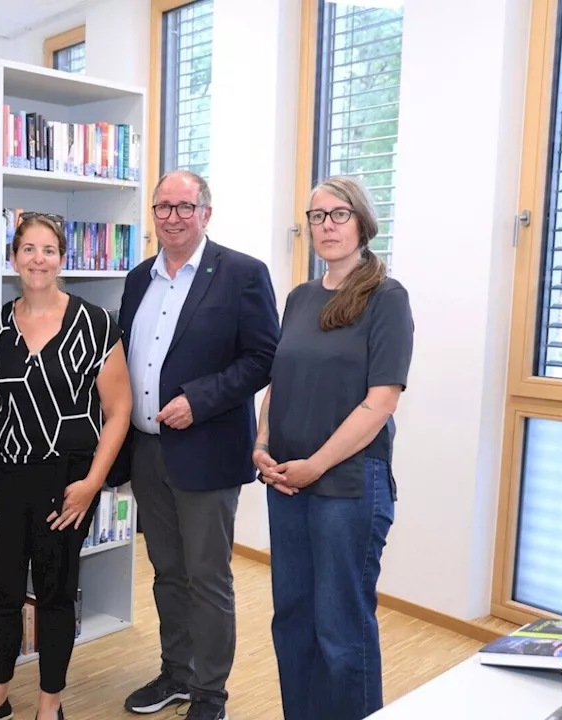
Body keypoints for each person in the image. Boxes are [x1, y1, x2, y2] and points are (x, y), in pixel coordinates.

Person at [114, 171, 280, 720]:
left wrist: (199, 399)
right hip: (147, 450)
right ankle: (176, 674)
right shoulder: (139, 278)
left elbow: (262, 358)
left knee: (208, 578)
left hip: (206, 451)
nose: (173, 216)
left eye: (185, 206)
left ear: (206, 212)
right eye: (163, 206)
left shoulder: (241, 274)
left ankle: (211, 694)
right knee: (166, 573)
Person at [0, 213, 132, 720]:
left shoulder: (97, 324)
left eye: (48, 249)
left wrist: (92, 484)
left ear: (62, 258)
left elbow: (119, 412)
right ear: (13, 258)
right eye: (28, 249)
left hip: (68, 481)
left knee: (55, 593)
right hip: (5, 478)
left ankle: (49, 704)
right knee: (1, 592)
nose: (38, 259)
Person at [253, 176, 413, 720]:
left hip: (347, 487)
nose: (326, 225)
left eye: (338, 214)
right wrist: (262, 442)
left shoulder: (387, 299)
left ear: (363, 222)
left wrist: (315, 466)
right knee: (292, 622)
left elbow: (380, 403)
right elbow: (279, 381)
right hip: (287, 485)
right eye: (317, 216)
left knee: (341, 630)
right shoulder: (299, 296)